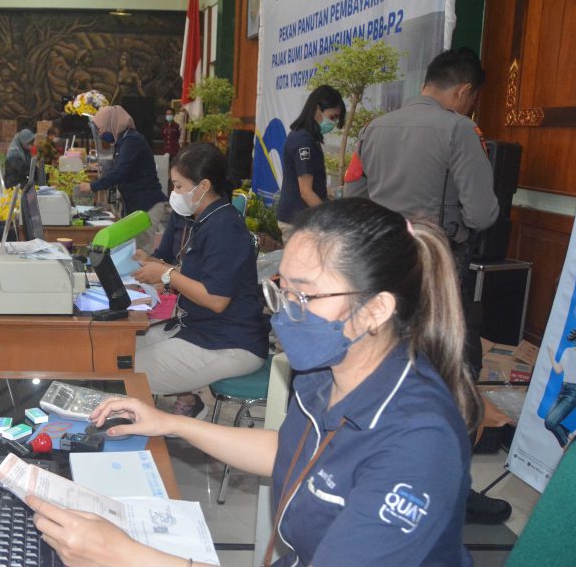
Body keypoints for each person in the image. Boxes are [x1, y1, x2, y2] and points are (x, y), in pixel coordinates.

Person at [31, 198, 481, 567]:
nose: (285, 313)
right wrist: (170, 423)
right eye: (283, 291)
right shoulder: (327, 373)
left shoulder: (419, 443)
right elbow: (291, 450)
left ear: (376, 310)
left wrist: (127, 556)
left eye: (304, 295)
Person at [343, 48, 506, 524]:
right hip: (437, 272)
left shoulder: (374, 128)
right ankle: (452, 490)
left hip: (382, 271)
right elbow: (482, 213)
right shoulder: (461, 131)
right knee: (452, 375)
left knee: (383, 370)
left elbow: (352, 195)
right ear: (464, 91)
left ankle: (372, 473)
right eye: (471, 99)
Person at [130, 143, 269, 417]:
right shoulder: (207, 219)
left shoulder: (224, 226)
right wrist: (159, 266)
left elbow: (216, 299)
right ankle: (189, 406)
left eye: (179, 186)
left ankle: (148, 425)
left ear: (203, 186)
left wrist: (167, 274)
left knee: (123, 368)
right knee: (118, 349)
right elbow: (198, 274)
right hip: (202, 329)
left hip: (230, 342)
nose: (174, 194)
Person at [78, 105, 168, 251]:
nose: (100, 133)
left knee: (140, 252)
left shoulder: (132, 141)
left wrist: (92, 186)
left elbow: (119, 172)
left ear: (110, 124)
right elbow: (118, 168)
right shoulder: (123, 141)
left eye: (100, 129)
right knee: (132, 250)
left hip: (146, 205)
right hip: (136, 205)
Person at [276, 85, 345, 237]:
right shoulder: (304, 141)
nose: (333, 123)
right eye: (332, 117)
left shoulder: (306, 136)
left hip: (300, 218)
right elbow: (306, 192)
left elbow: (306, 184)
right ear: (317, 109)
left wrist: (330, 192)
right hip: (297, 222)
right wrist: (329, 220)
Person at [543, 328, 576, 447]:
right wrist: (551, 354)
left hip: (573, 393)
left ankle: (567, 446)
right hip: (563, 390)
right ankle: (571, 436)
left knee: (551, 422)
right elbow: (558, 370)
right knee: (548, 422)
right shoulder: (567, 351)